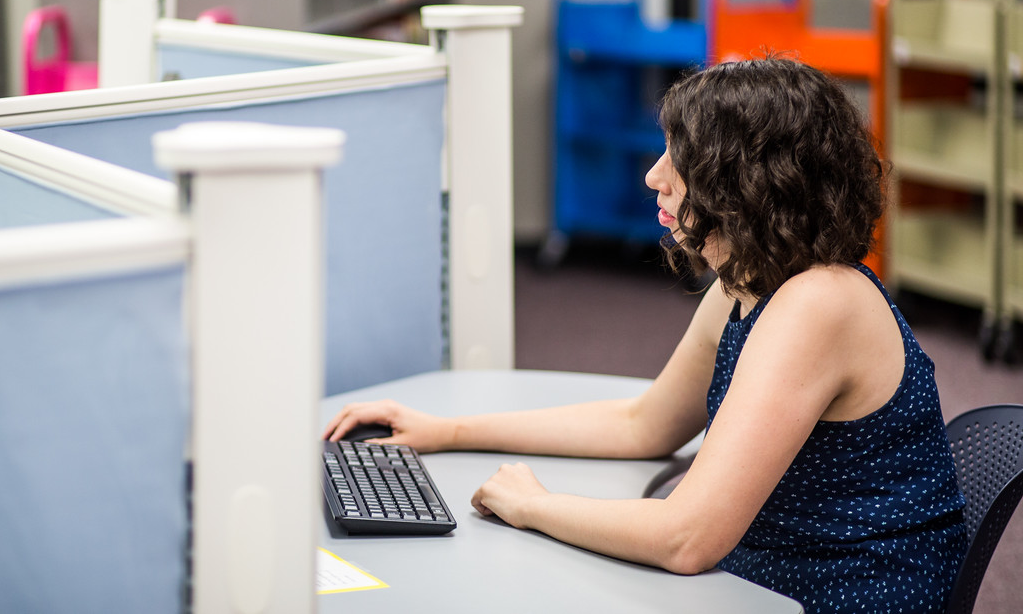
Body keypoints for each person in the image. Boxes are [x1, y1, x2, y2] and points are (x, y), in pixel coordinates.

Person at [324, 57, 968, 614]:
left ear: (749, 179)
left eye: (680, 160)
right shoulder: (747, 283)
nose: (654, 177)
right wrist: (448, 431)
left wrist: (535, 506)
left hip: (840, 594)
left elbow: (687, 539)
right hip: (773, 575)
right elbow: (643, 424)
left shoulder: (819, 302)